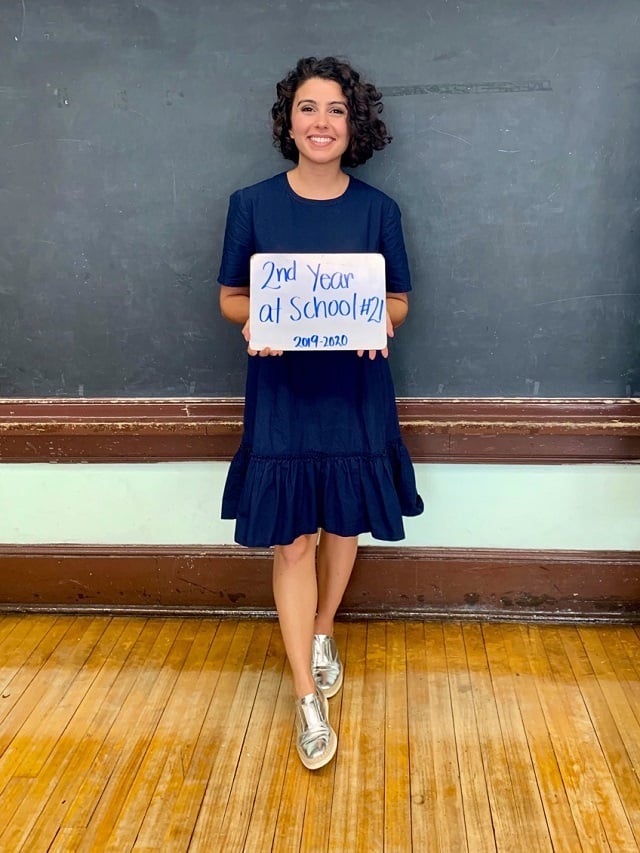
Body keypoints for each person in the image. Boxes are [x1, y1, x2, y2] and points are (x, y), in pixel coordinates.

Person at [218, 56, 423, 770]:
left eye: (335, 109)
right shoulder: (250, 204)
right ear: (289, 121)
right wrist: (254, 322)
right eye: (308, 108)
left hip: (354, 386)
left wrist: (380, 322)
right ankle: (306, 691)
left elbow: (397, 299)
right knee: (292, 540)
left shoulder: (378, 211)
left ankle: (324, 626)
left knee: (342, 519)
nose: (321, 122)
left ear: (353, 124)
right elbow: (231, 297)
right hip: (281, 387)